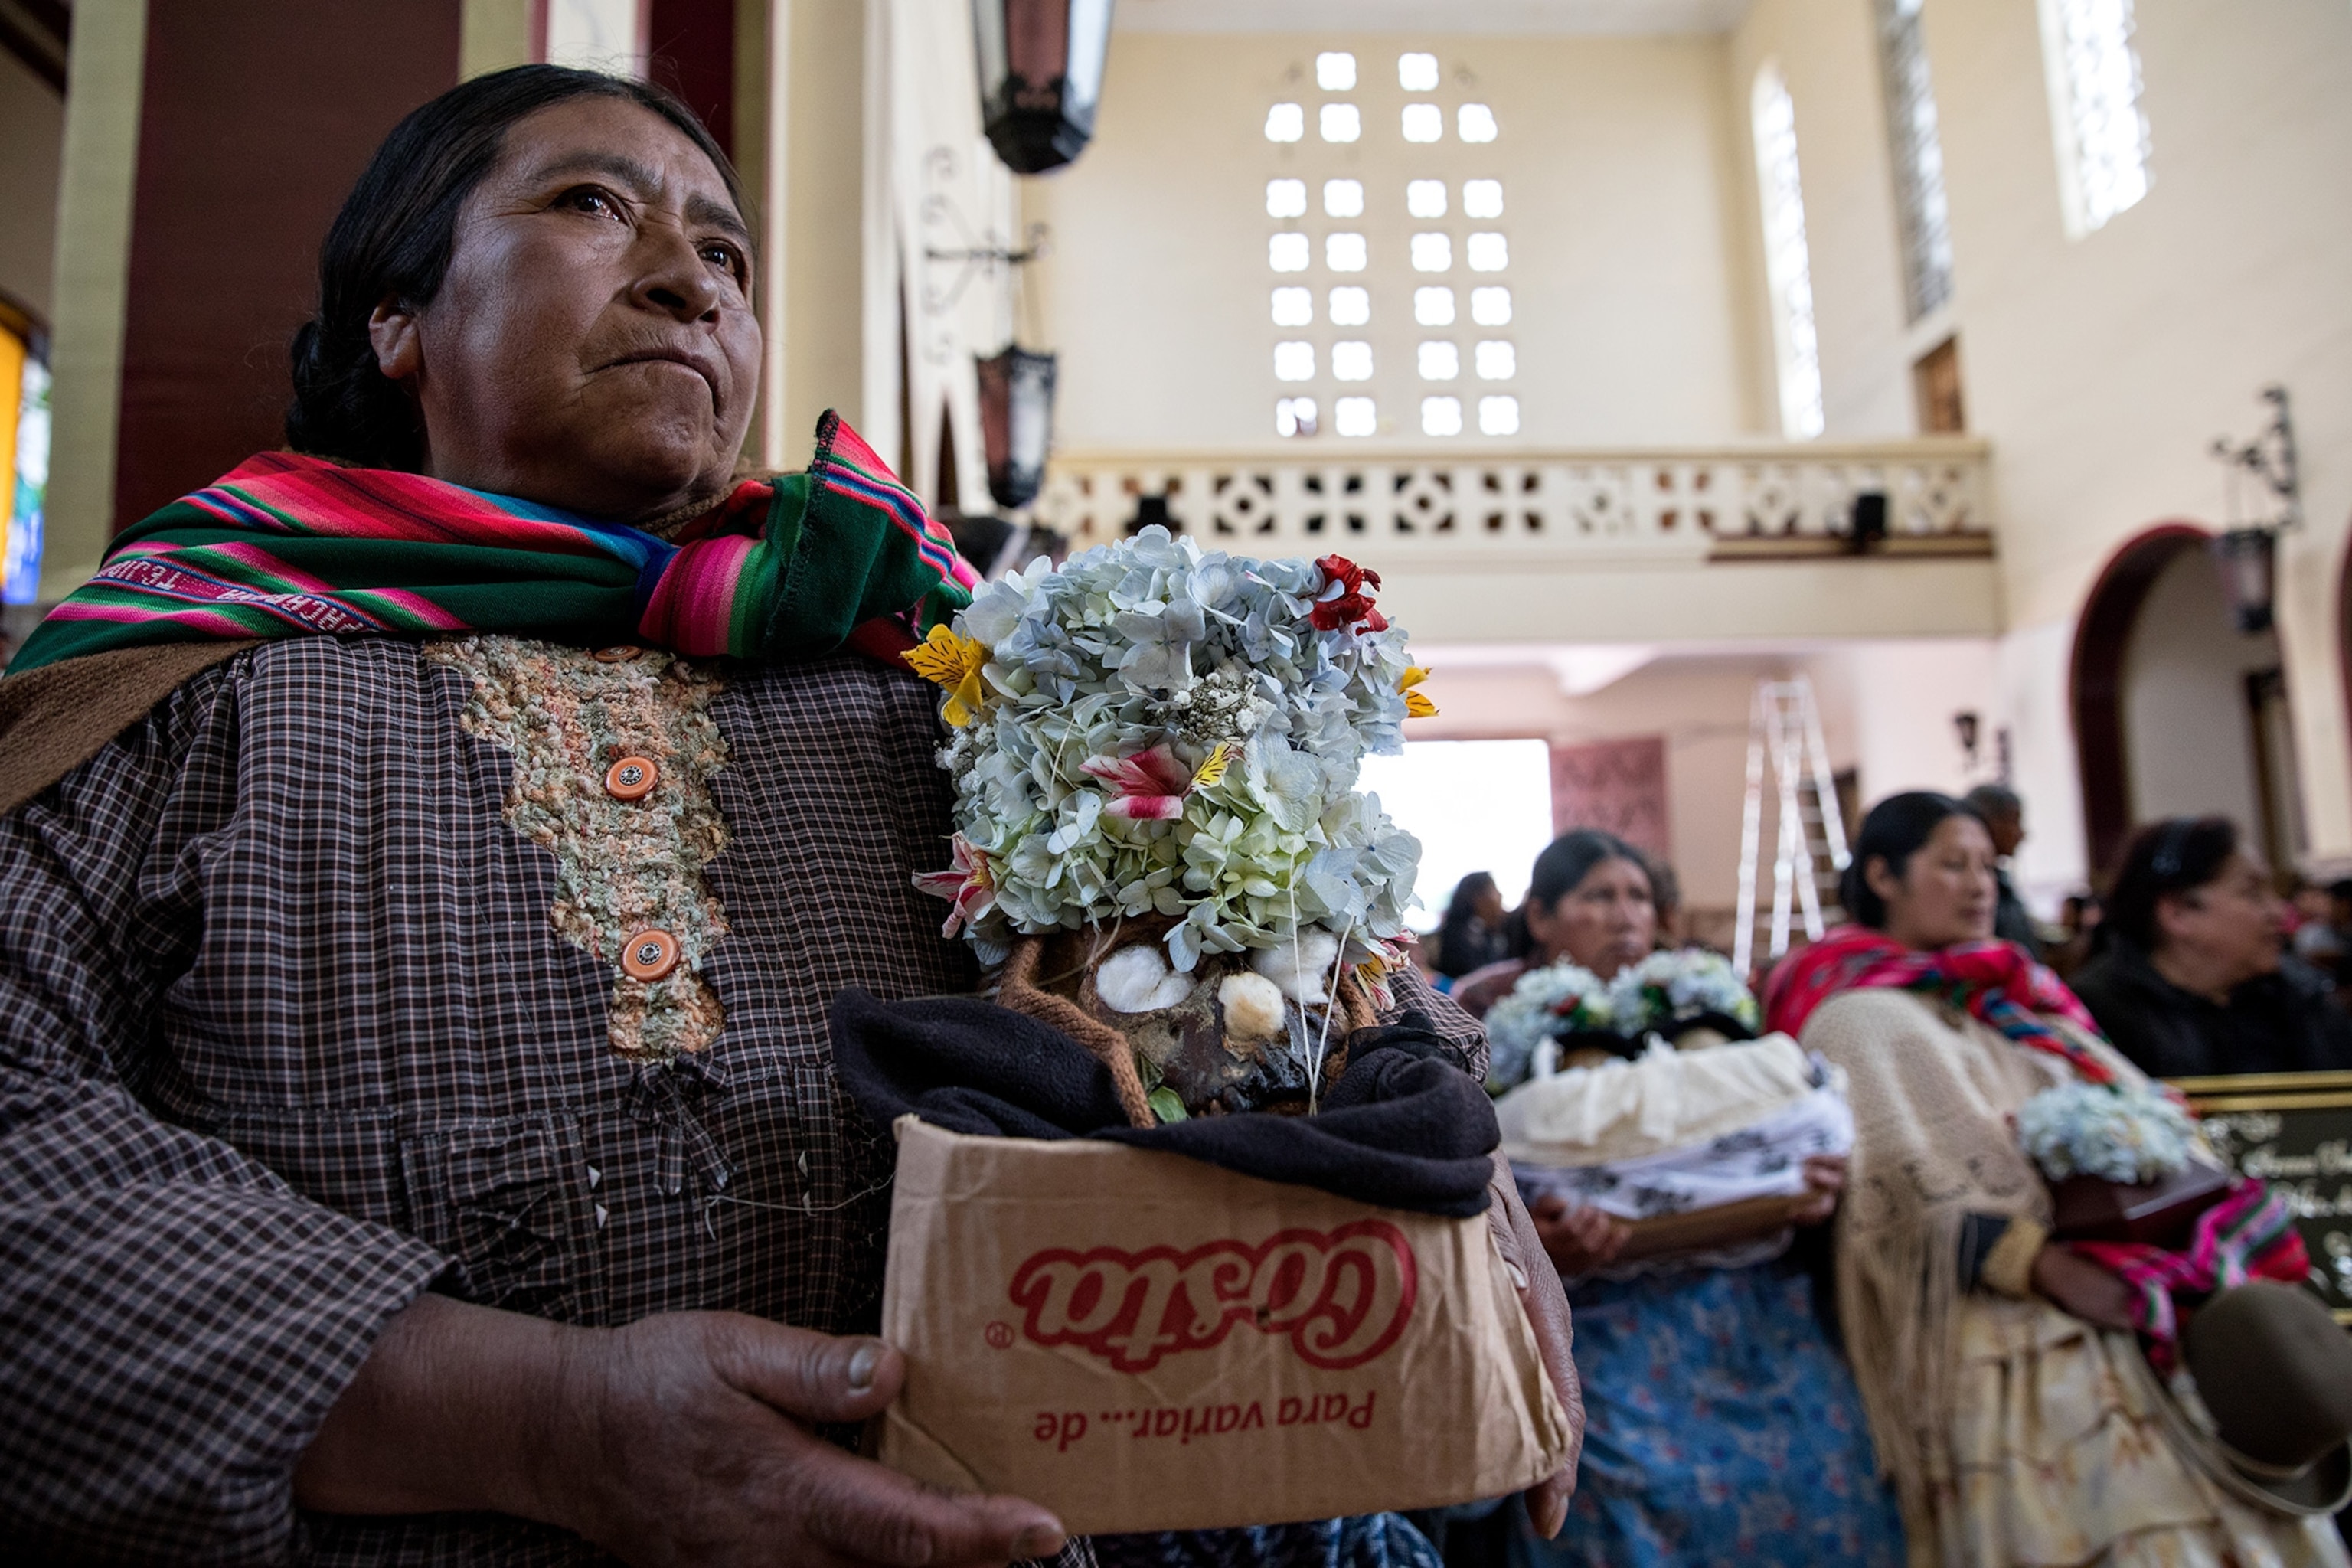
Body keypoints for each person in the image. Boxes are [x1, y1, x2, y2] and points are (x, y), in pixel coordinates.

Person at [0, 67, 1579, 1565]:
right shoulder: (192, 689)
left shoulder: (932, 681)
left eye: (728, 253)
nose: (692, 279)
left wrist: (1451, 1144)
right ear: (398, 321)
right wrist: (535, 1421)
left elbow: (1269, 965)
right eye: (593, 207)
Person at [1763, 792, 2341, 1567]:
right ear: (1882, 874)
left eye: (1986, 866)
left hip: (2128, 1289)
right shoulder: (1861, 1015)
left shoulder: (2021, 999)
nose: (1978, 885)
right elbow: (1901, 1189)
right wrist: (2038, 1260)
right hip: (2005, 1322)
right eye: (1950, 863)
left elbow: (2149, 1114)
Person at [1475, 831, 1903, 1568]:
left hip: (1750, 1303)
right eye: (1599, 897)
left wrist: (1801, 1176)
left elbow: (1790, 1120)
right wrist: (1532, 1229)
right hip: (1603, 1319)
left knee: (1821, 1462)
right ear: (1541, 917)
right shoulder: (1492, 1025)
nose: (1625, 916)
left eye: (1638, 897)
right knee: (1621, 1488)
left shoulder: (1711, 1007)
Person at [2069, 817, 2352, 1079]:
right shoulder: (2096, 1018)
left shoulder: (2301, 998)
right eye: (2252, 893)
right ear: (2177, 913)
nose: (2279, 912)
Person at [1963, 783, 2040, 958]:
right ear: (1988, 822)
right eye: (2014, 821)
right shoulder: (1969, 889)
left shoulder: (1999, 881)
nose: (2021, 834)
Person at [1436, 871, 1512, 981]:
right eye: (1493, 889)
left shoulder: (1492, 935)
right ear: (1477, 898)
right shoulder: (1461, 938)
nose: (1500, 895)